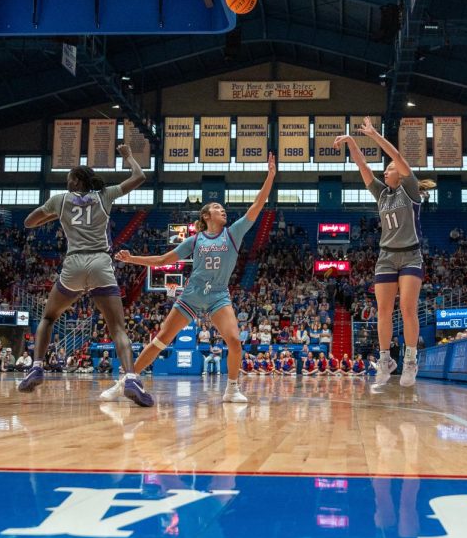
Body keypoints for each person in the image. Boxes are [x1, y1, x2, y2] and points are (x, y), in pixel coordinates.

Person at [107, 153, 277, 405]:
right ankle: (124, 382)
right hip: (193, 294)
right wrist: (132, 259)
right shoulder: (195, 240)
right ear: (206, 216)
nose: (223, 211)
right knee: (161, 339)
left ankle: (231, 389)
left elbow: (257, 205)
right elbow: (163, 260)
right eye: (218, 209)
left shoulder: (234, 233)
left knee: (234, 341)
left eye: (223, 209)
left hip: (219, 294)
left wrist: (271, 176)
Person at [17, 143, 146, 393]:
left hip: (73, 264)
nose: (66, 182)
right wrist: (129, 157)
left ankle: (37, 366)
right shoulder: (104, 195)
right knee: (117, 327)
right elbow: (139, 177)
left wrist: (58, 214)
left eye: (68, 179)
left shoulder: (59, 200)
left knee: (48, 317)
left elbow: (29, 222)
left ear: (76, 180)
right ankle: (130, 377)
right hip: (100, 263)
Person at [334, 117, 436, 387]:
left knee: (408, 308)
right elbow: (362, 166)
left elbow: (398, 156)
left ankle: (411, 360)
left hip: (411, 254)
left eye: (389, 168)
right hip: (386, 256)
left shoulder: (410, 189)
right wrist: (352, 142)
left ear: (399, 174)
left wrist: (374, 135)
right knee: (383, 310)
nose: (386, 170)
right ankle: (385, 359)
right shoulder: (381, 194)